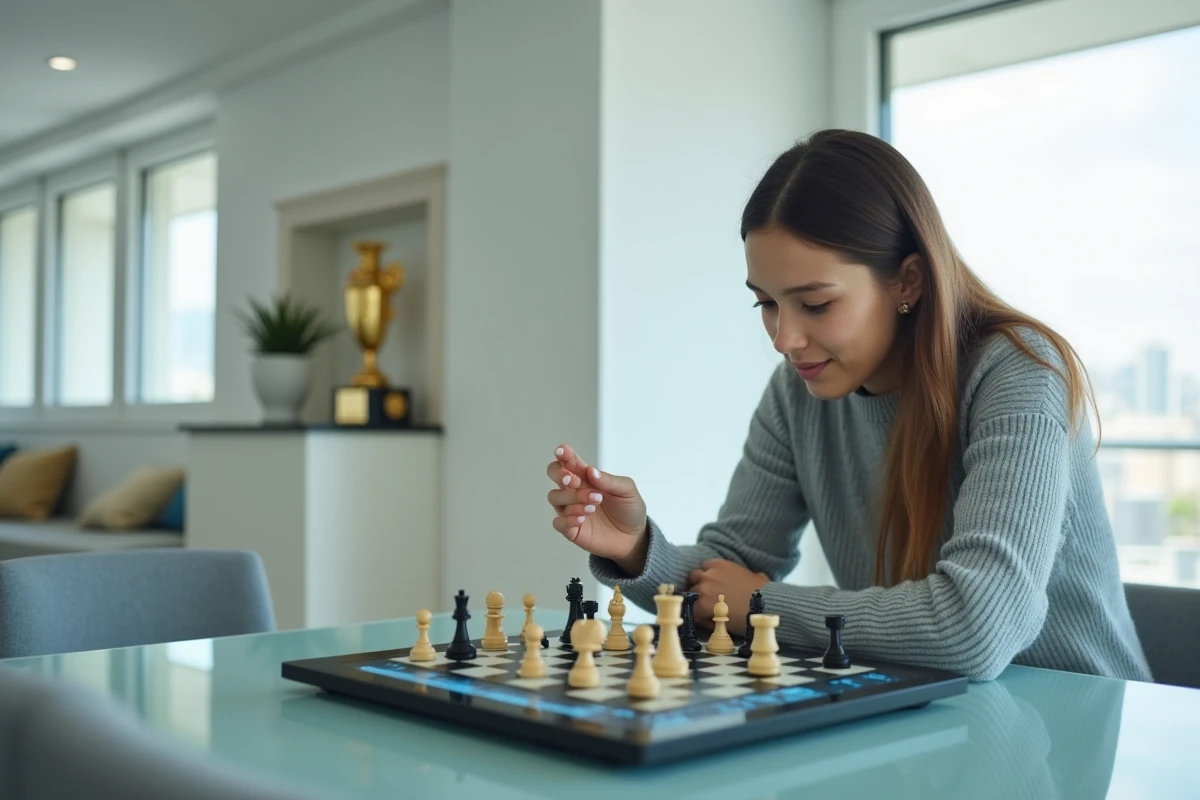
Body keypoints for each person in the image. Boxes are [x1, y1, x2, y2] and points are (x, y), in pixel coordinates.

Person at [544, 129, 1151, 683]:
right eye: (766, 304)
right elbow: (725, 574)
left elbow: (975, 626)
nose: (784, 339)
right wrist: (637, 548)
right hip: (924, 711)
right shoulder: (798, 394)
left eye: (815, 303)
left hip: (1082, 723)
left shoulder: (1019, 373)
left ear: (907, 280)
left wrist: (761, 605)